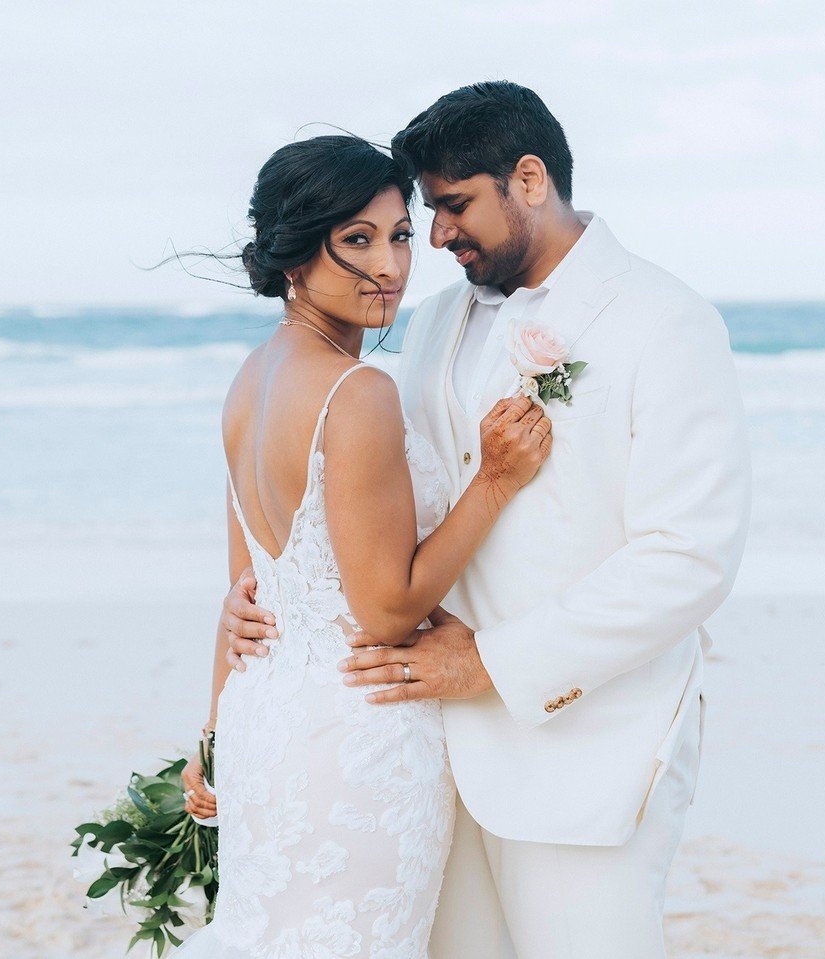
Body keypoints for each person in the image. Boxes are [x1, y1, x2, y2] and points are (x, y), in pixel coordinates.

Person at [207, 82, 753, 958]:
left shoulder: (665, 323)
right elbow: (357, 492)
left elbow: (687, 559)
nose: (432, 237)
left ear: (528, 179)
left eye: (451, 206)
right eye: (422, 212)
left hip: (578, 749)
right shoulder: (432, 320)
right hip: (412, 752)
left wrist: (493, 663)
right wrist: (260, 595)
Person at [174, 134, 552, 957]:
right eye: (357, 240)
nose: (390, 264)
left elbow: (245, 597)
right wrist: (492, 482)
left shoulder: (248, 380)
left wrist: (210, 740)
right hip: (356, 735)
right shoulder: (357, 391)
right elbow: (383, 610)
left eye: (401, 234)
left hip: (264, 725)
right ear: (293, 253)